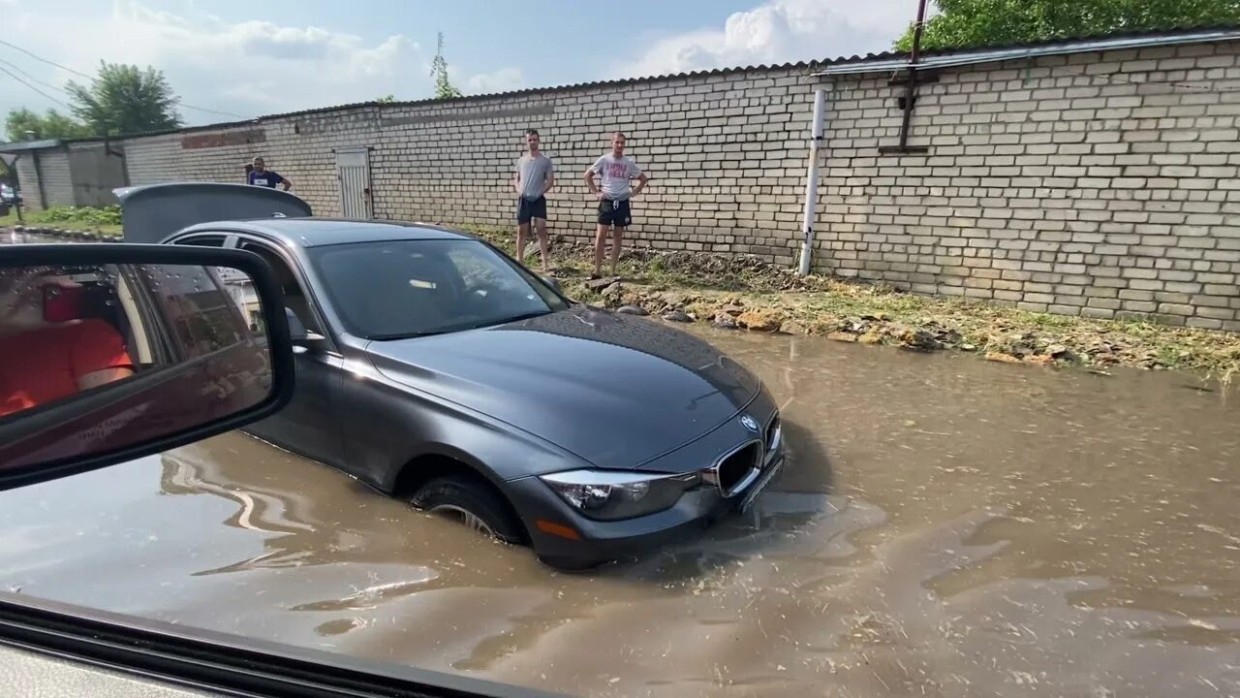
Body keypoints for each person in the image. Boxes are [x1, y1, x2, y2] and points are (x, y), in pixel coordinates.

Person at [0, 269, 135, 418]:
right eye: (15, 278)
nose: (72, 284)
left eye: (55, 274)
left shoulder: (86, 335)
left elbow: (119, 419)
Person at [584, 132, 648, 279]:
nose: (619, 145)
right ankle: (597, 271)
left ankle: (613, 271)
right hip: (607, 202)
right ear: (611, 143)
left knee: (618, 237)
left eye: (622, 143)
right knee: (601, 236)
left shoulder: (628, 162)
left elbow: (643, 178)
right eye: (617, 142)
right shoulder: (604, 160)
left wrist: (634, 192)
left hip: (622, 203)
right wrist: (596, 192)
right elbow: (587, 176)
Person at [513, 129, 555, 274]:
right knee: (521, 231)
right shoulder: (521, 161)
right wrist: (519, 190)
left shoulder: (545, 161)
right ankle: (519, 260)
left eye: (535, 139)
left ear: (539, 140)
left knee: (542, 230)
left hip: (538, 200)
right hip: (524, 200)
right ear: (526, 141)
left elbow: (550, 180)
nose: (532, 142)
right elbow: (516, 179)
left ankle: (545, 263)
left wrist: (541, 192)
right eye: (530, 140)